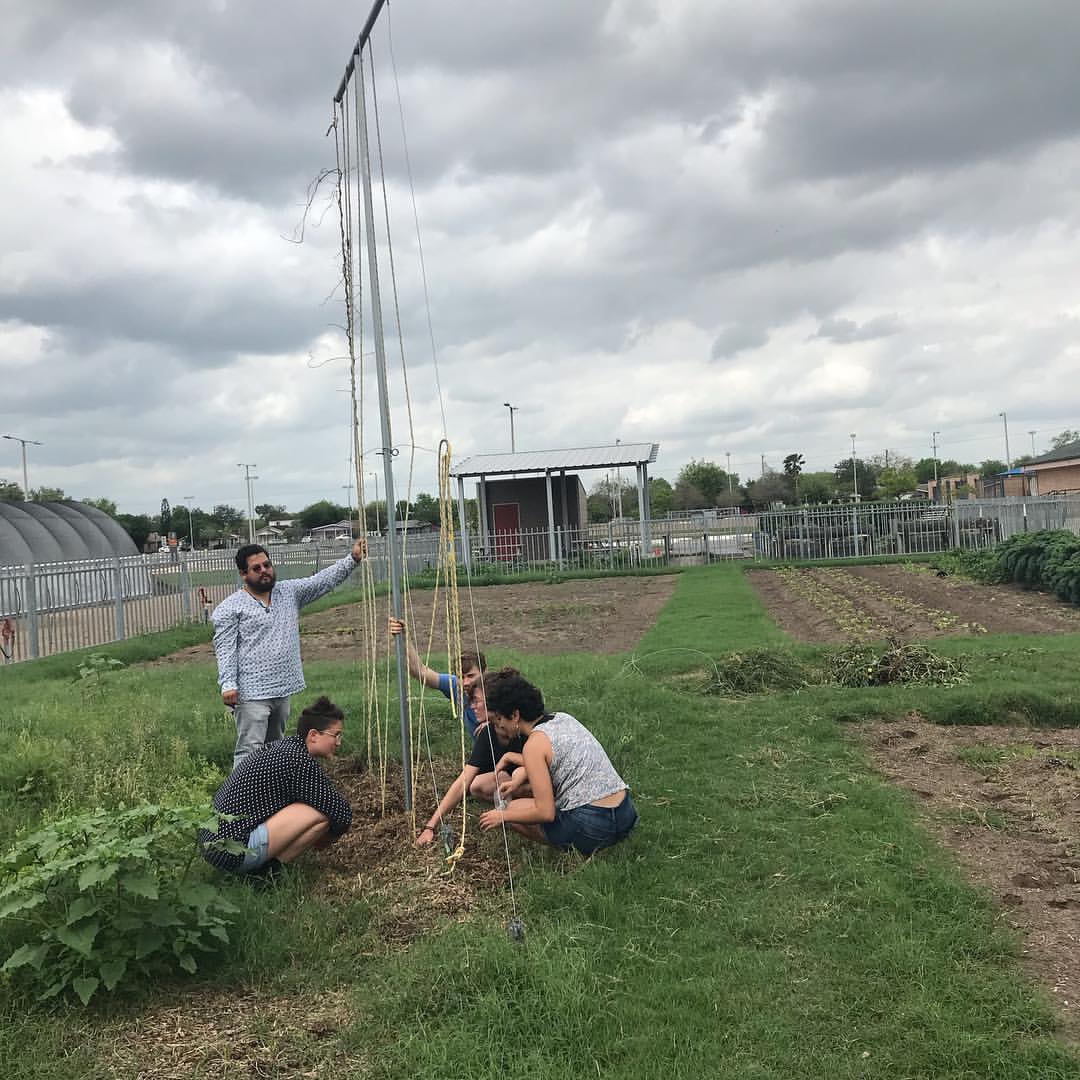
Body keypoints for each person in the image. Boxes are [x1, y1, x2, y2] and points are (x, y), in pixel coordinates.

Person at [213, 538, 367, 768]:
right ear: (243, 574)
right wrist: (228, 684)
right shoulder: (229, 608)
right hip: (251, 693)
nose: (264, 571)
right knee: (250, 751)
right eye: (257, 568)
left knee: (275, 748)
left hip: (282, 688)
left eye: (267, 565)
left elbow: (320, 582)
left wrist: (352, 559)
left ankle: (271, 797)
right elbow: (225, 648)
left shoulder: (288, 593)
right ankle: (239, 802)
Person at [478, 668, 638, 855]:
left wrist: (503, 816)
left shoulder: (533, 744)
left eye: (499, 719)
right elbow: (557, 761)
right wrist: (517, 782)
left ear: (515, 715)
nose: (499, 726)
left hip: (595, 824)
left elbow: (546, 812)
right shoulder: (563, 718)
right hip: (625, 812)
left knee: (513, 809)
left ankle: (578, 847)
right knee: (525, 804)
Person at [197, 696, 352, 878]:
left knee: (315, 804)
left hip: (214, 846)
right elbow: (342, 813)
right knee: (321, 814)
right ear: (313, 735)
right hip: (233, 853)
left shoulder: (284, 748)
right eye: (336, 735)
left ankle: (261, 867)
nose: (339, 742)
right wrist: (325, 840)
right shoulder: (297, 760)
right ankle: (268, 874)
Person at [414, 686, 527, 847]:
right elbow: (463, 782)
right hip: (511, 781)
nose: (471, 706)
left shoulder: (523, 727)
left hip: (537, 783)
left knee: (520, 772)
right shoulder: (488, 733)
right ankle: (514, 812)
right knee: (476, 786)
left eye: (476, 701)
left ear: (493, 703)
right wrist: (431, 826)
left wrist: (511, 758)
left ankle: (523, 814)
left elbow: (544, 760)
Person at [387, 616, 486, 741]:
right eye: (461, 677)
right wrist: (405, 638)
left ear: (484, 672)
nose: (466, 682)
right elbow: (420, 672)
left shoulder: (499, 689)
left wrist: (494, 724)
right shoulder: (455, 686)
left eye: (471, 676)